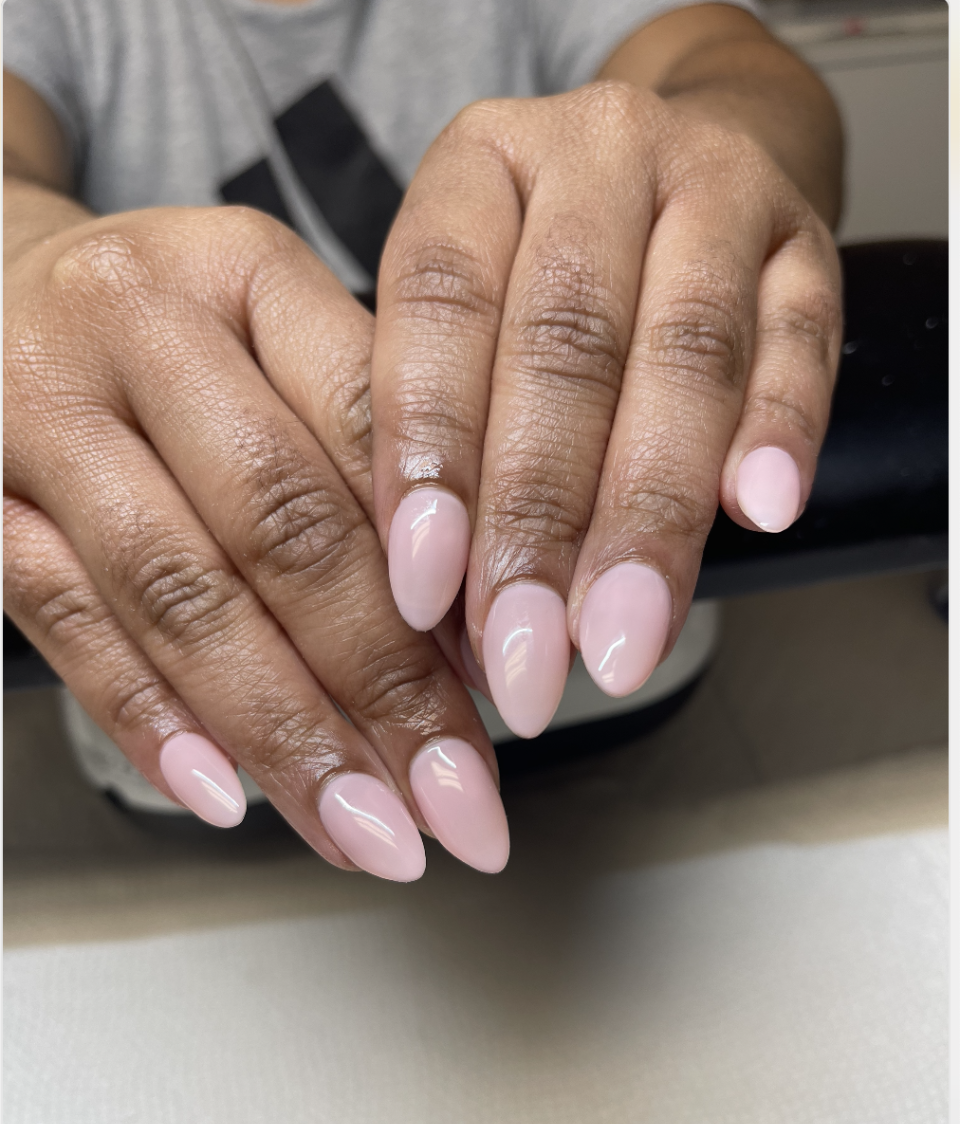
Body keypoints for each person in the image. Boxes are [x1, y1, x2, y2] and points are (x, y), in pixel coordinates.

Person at [3, 0, 843, 881]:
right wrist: (23, 270)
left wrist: (711, 160)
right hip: (238, 752)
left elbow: (742, 67)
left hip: (626, 692)